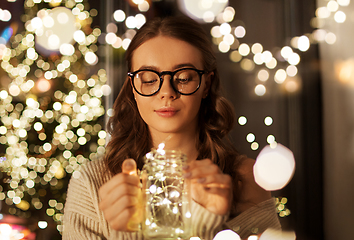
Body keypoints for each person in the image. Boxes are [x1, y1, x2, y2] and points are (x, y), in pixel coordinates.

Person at [63, 16, 281, 240]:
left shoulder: (244, 179)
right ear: (133, 87)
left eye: (184, 78)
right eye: (148, 79)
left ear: (206, 84)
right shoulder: (92, 183)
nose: (166, 91)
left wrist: (210, 224)